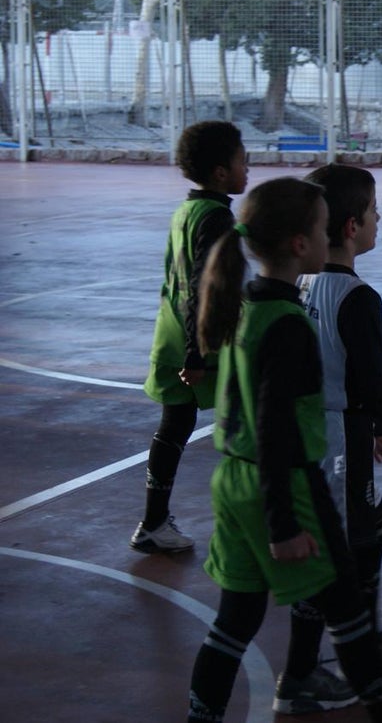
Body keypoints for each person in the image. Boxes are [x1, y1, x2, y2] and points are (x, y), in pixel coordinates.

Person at [186, 176, 382, 723]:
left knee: (235, 622)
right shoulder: (288, 325)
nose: (325, 236)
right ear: (300, 243)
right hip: (288, 482)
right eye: (319, 228)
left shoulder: (247, 305)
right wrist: (284, 521)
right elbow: (275, 428)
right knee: (349, 615)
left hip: (235, 482)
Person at [273, 165, 382, 716]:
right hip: (340, 436)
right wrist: (378, 425)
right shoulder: (357, 297)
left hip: (316, 428)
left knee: (363, 531)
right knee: (353, 538)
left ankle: (358, 635)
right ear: (353, 226)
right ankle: (315, 664)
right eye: (376, 211)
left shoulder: (299, 282)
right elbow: (368, 380)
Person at [132, 121, 247, 554]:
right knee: (246, 420)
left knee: (174, 426)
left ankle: (154, 520)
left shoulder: (187, 209)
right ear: (221, 172)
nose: (247, 168)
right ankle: (253, 519)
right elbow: (204, 283)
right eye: (242, 160)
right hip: (201, 341)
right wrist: (198, 353)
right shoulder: (217, 217)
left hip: (170, 331)